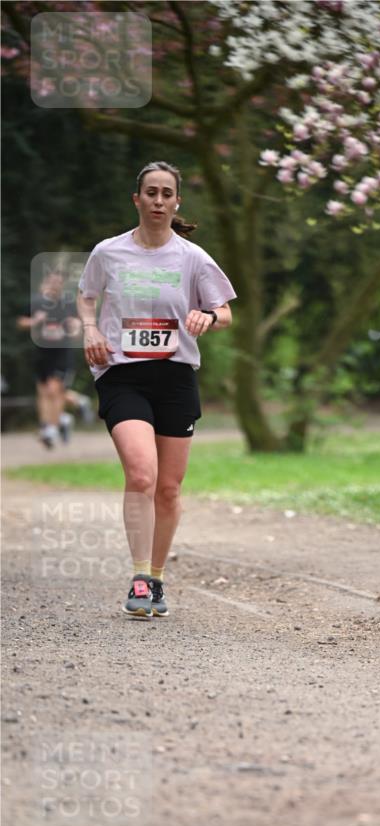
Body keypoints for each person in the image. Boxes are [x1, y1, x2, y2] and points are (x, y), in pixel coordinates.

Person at [77, 160, 236, 619]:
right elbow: (86, 295)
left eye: (167, 194)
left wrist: (208, 317)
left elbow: (225, 311)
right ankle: (140, 578)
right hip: (121, 372)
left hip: (175, 375)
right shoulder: (109, 252)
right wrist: (90, 330)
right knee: (142, 475)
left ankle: (158, 578)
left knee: (168, 488)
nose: (159, 201)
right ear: (137, 199)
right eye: (151, 193)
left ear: (177, 201)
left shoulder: (192, 257)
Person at [17, 271, 90, 448]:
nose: (54, 285)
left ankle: (52, 427)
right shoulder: (37, 302)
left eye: (58, 282)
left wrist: (74, 326)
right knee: (44, 391)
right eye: (51, 281)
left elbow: (78, 325)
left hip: (61, 353)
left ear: (61, 285)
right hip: (42, 354)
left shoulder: (66, 304)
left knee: (54, 389)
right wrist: (35, 321)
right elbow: (21, 322)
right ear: (45, 282)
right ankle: (62, 417)